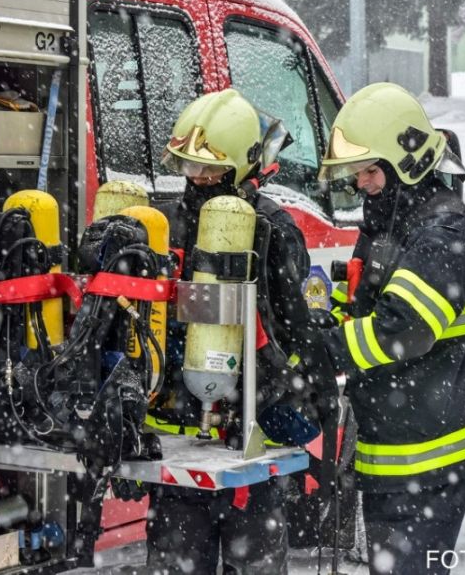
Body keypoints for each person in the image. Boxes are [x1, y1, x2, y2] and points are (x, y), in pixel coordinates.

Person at [141, 88, 337, 574]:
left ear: (244, 167)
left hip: (249, 442)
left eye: (210, 169)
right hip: (176, 445)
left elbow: (295, 335)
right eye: (190, 167)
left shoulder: (272, 230)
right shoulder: (167, 224)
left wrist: (293, 397)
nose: (198, 178)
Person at [317, 82, 465, 575]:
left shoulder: (446, 233)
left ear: (407, 163)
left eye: (369, 170)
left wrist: (324, 352)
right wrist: (318, 329)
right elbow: (361, 307)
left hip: (430, 458)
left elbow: (405, 328)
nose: (361, 183)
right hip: (394, 449)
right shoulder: (389, 221)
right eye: (355, 172)